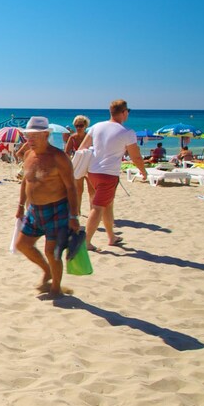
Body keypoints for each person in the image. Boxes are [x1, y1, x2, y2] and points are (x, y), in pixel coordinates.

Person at [14, 116, 80, 299]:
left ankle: (56, 289)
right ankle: (47, 270)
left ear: (46, 134)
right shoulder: (28, 155)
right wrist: (20, 205)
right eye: (28, 135)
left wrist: (74, 216)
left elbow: (71, 187)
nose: (30, 140)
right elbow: (25, 182)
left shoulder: (59, 157)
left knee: (52, 252)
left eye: (34, 136)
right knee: (22, 245)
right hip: (33, 210)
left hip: (57, 208)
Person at [77, 100, 147, 251]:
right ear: (124, 112)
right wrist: (143, 171)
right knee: (97, 208)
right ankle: (86, 242)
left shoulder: (96, 127)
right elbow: (136, 157)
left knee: (107, 204)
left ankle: (111, 237)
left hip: (92, 173)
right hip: (108, 175)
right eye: (127, 111)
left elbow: (83, 148)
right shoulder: (127, 132)